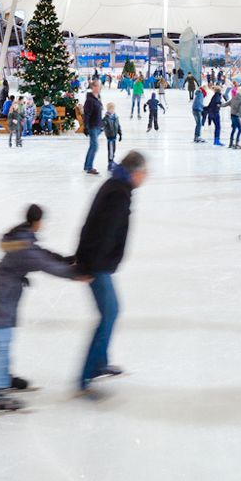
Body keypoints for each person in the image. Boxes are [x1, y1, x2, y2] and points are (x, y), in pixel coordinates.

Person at [0, 204, 90, 413]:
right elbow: (46, 265)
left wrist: (65, 259)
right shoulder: (24, 246)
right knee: (3, 344)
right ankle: (0, 393)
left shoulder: (21, 237)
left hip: (1, 295)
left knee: (6, 341)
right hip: (0, 299)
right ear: (37, 222)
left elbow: (42, 254)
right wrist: (75, 274)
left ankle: (5, 378)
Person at [74, 151, 148, 397]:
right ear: (134, 172)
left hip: (98, 261)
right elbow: (101, 230)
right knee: (109, 313)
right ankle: (86, 374)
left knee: (111, 312)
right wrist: (87, 266)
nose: (145, 178)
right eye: (144, 173)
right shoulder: (118, 193)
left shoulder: (118, 187)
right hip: (96, 264)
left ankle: (99, 363)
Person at [83, 81, 104, 174]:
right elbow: (86, 114)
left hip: (98, 126)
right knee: (94, 147)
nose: (97, 88)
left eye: (99, 86)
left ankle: (87, 166)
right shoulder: (89, 100)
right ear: (92, 87)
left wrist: (102, 125)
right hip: (92, 126)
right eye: (96, 86)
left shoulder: (98, 98)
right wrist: (86, 126)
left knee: (92, 146)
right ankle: (89, 167)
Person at [101, 103, 123, 167]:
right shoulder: (106, 118)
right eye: (111, 109)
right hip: (110, 136)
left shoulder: (116, 117)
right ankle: (110, 162)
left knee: (113, 149)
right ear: (108, 109)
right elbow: (103, 124)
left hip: (114, 135)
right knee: (110, 149)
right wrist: (101, 128)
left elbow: (118, 126)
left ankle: (112, 160)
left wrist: (120, 133)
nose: (112, 110)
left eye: (113, 108)